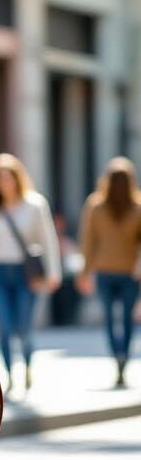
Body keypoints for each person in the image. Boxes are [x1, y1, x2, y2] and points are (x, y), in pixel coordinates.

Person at [0, 153, 61, 393]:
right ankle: (10, 376)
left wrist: (53, 273)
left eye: (8, 178)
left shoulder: (35, 205)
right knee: (3, 326)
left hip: (27, 274)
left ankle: (26, 367)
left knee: (24, 327)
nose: (4, 183)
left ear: (17, 179)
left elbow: (48, 239)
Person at [75, 157, 141, 388]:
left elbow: (87, 242)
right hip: (129, 273)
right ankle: (122, 356)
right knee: (126, 320)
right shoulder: (137, 207)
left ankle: (117, 356)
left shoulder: (95, 205)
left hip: (104, 271)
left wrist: (84, 272)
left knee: (111, 321)